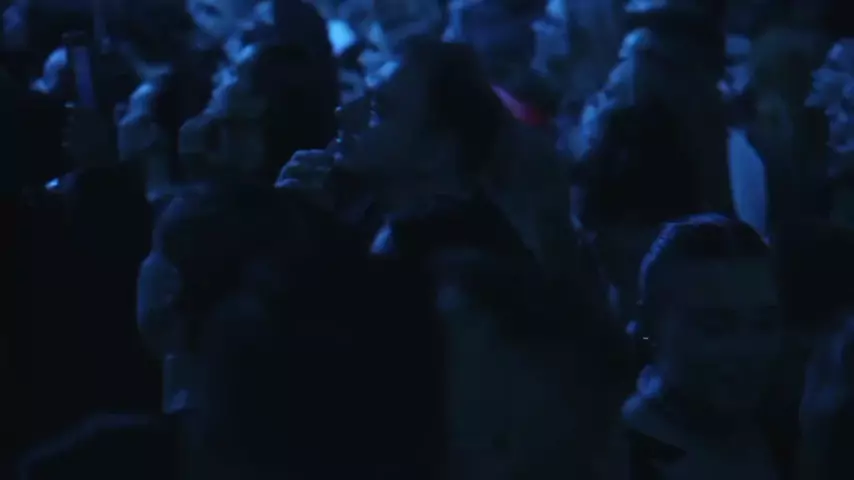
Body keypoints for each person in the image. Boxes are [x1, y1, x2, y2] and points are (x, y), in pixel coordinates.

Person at [623, 214, 786, 480]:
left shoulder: (785, 433)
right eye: (715, 328)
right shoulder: (618, 461)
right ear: (651, 326)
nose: (747, 350)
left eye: (765, 324)